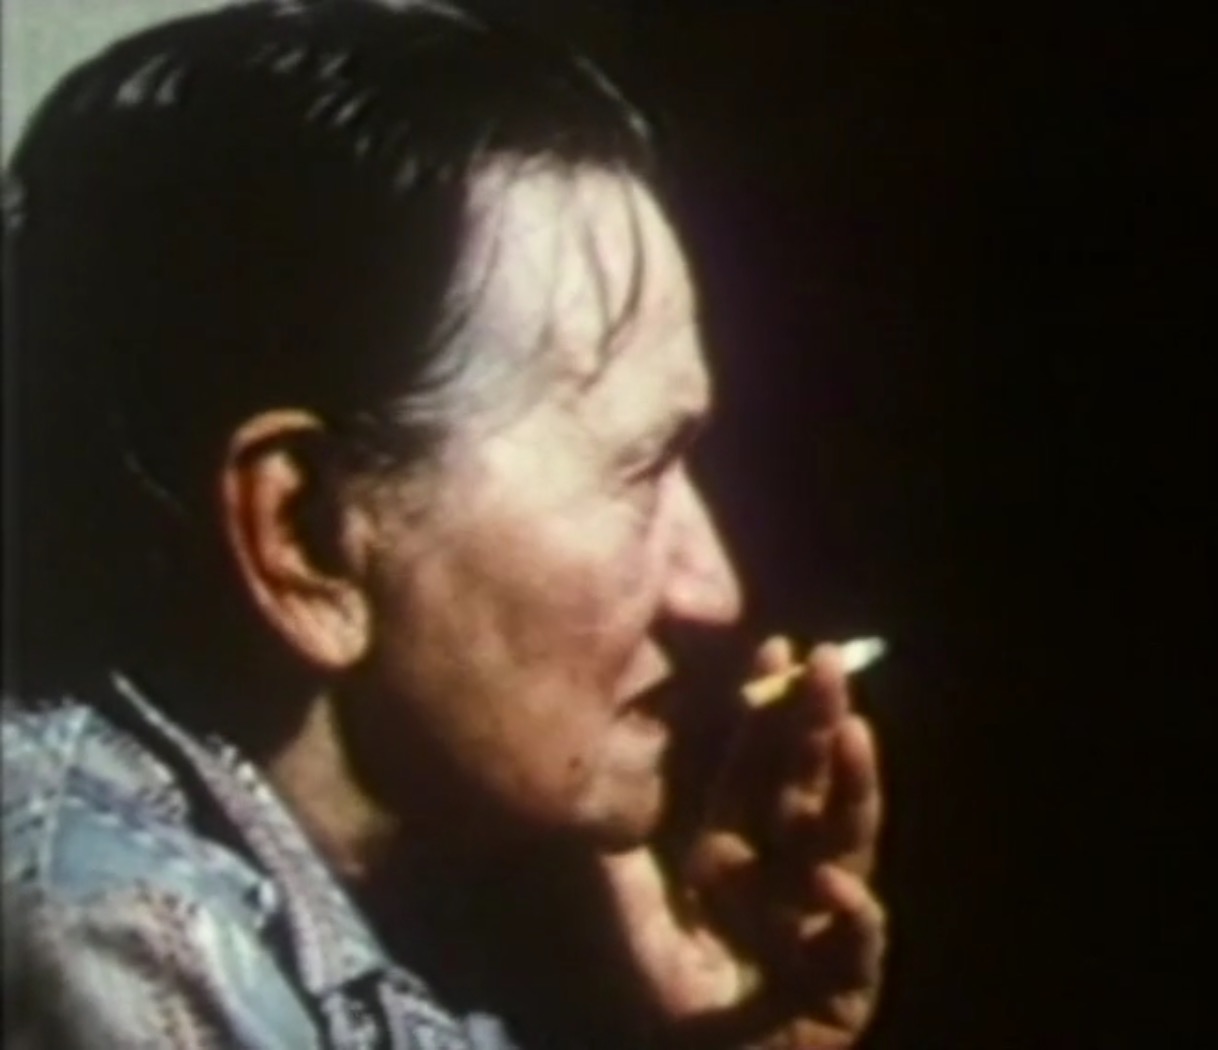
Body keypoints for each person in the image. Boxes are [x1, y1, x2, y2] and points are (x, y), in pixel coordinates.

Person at [2, 1, 887, 1046]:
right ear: (309, 537)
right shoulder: (120, 938)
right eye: (640, 468)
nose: (713, 591)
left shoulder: (407, 902)